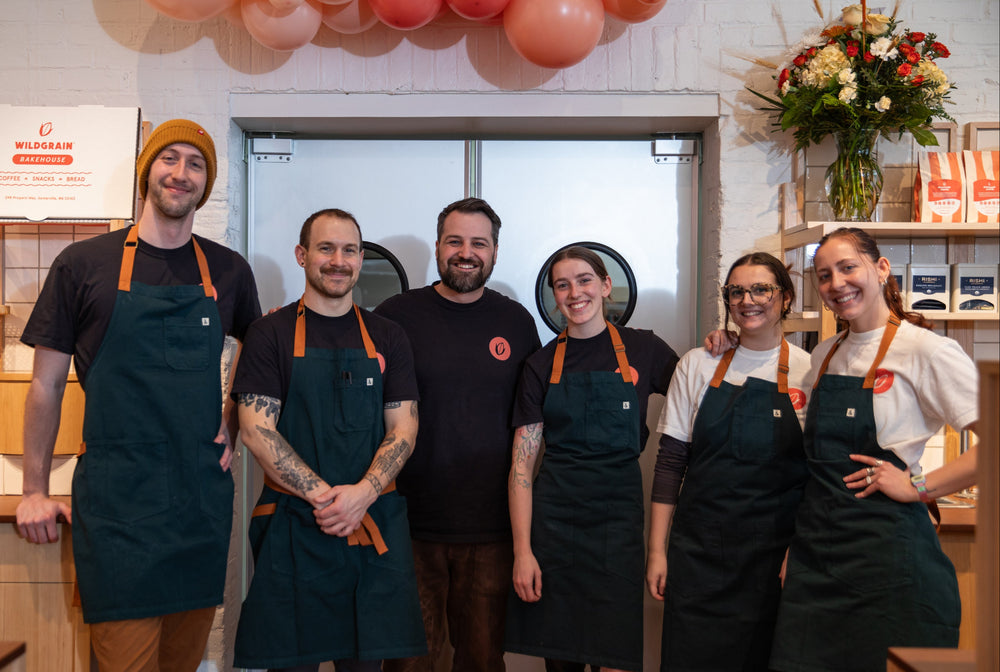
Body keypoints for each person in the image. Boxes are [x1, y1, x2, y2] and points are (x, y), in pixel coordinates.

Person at [15, 119, 261, 672]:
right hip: (118, 509)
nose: (181, 173)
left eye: (195, 163)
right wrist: (34, 488)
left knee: (184, 662)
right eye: (169, 158)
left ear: (207, 181)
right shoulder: (83, 265)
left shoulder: (227, 269)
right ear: (146, 169)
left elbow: (259, 348)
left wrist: (235, 411)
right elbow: (45, 385)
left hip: (199, 505)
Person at [766, 227, 979, 672]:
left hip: (889, 560)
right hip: (816, 559)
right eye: (823, 276)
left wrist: (918, 486)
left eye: (848, 267)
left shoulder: (926, 350)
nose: (836, 284)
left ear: (881, 269)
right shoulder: (824, 354)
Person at [232, 209, 426, 671]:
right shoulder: (269, 334)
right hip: (294, 526)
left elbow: (404, 427)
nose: (338, 261)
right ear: (302, 255)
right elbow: (256, 428)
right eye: (326, 248)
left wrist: (362, 494)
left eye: (349, 250)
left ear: (360, 260)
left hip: (370, 521)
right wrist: (326, 498)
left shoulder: (388, 336)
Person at [375, 197, 541, 672]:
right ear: (437, 247)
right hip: (406, 525)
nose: (466, 252)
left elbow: (533, 422)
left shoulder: (516, 322)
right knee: (407, 663)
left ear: (494, 252)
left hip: (492, 530)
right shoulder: (395, 316)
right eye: (455, 241)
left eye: (479, 243)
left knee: (484, 660)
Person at [505, 246, 679, 672]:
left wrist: (721, 344)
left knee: (615, 653)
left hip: (617, 524)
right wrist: (523, 551)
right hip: (554, 525)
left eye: (584, 280)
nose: (574, 292)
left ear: (605, 286)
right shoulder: (540, 364)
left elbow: (696, 394)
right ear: (554, 296)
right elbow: (521, 467)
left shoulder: (645, 349)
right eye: (561, 285)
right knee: (560, 658)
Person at [647, 252, 810, 671]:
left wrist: (803, 549)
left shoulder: (811, 371)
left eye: (761, 289)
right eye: (736, 291)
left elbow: (818, 476)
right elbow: (670, 463)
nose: (747, 300)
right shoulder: (697, 364)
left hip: (776, 557)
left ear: (785, 298)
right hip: (701, 555)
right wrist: (657, 552)